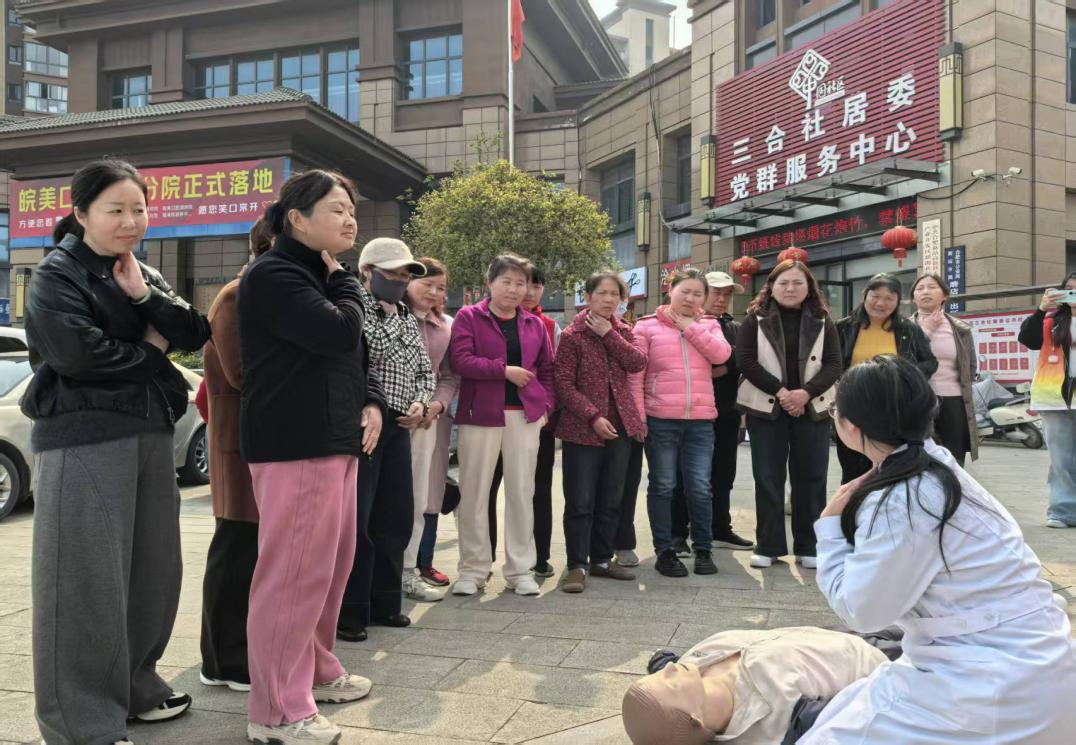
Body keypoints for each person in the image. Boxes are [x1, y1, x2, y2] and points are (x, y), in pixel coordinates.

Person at [23, 158, 211, 743]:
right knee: (85, 581)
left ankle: (135, 686)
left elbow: (194, 330)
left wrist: (146, 299)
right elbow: (78, 356)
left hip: (149, 431)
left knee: (153, 571)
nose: (131, 221)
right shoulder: (56, 274)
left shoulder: (138, 271)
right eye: (116, 210)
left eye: (140, 209)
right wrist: (153, 351)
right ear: (82, 213)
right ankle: (79, 722)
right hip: (84, 436)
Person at [805, 356, 1076, 743]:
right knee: (845, 706)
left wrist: (831, 527)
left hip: (992, 689)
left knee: (826, 736)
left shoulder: (904, 498)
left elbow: (862, 611)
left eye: (835, 409)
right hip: (1036, 665)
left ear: (851, 426)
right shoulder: (938, 467)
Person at [239, 170, 385, 744]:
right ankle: (276, 710)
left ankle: (317, 671)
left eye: (352, 210)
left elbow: (352, 357)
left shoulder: (318, 274)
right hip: (295, 442)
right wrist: (347, 282)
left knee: (330, 568)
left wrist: (371, 402)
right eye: (336, 209)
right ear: (297, 218)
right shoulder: (276, 273)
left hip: (334, 438)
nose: (350, 219)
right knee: (294, 575)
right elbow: (338, 333)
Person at [338, 239, 438, 641]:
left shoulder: (408, 317)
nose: (400, 280)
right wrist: (391, 314)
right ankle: (351, 612)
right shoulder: (355, 305)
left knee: (395, 516)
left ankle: (386, 604)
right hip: (364, 424)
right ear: (368, 272)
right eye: (393, 273)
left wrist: (421, 402)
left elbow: (425, 371)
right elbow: (373, 350)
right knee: (359, 520)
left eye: (405, 274)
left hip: (401, 427)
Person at [449, 254, 555, 596]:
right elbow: (460, 360)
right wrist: (503, 371)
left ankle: (520, 570)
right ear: (490, 283)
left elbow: (548, 369)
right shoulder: (468, 317)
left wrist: (545, 407)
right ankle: (472, 570)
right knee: (474, 493)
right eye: (506, 281)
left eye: (520, 283)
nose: (513, 289)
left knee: (522, 493)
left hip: (524, 416)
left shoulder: (534, 324)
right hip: (479, 415)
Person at [198, 218, 273, 694]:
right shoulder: (236, 296)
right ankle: (222, 660)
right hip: (238, 439)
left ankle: (244, 650)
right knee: (236, 545)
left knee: (254, 547)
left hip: (265, 437)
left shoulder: (263, 294)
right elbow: (243, 372)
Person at [736, 260, 842, 570]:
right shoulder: (755, 320)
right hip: (767, 408)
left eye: (797, 283)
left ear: (809, 288)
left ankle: (809, 546)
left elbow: (834, 364)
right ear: (771, 287)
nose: (790, 288)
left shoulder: (823, 321)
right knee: (768, 477)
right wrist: (782, 392)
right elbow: (746, 361)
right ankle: (768, 546)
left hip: (812, 409)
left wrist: (805, 393)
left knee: (811, 478)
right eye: (783, 283)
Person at [621, 627, 887, 745]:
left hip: (824, 633)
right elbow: (861, 713)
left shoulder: (690, 666)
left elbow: (664, 663)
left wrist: (660, 661)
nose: (670, 670)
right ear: (695, 718)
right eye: (670, 685)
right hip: (871, 658)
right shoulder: (778, 722)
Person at [633, 268, 732, 578]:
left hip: (700, 421)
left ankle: (703, 549)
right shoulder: (646, 326)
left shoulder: (709, 325)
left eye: (697, 293)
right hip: (661, 419)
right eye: (684, 291)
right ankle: (665, 552)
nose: (690, 298)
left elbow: (721, 355)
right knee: (663, 485)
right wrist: (639, 415)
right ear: (670, 290)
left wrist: (690, 327)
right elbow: (635, 374)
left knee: (700, 487)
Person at [554, 271, 646, 593]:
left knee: (611, 498)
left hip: (620, 428)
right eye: (602, 293)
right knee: (580, 501)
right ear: (587, 296)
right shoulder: (572, 335)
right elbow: (563, 384)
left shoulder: (623, 331)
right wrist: (593, 416)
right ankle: (577, 565)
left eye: (614, 294)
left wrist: (609, 335)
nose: (608, 299)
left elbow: (637, 363)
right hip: (582, 429)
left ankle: (603, 560)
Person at [670, 271, 754, 555]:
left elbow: (742, 360)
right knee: (684, 475)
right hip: (689, 412)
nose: (722, 299)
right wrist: (722, 362)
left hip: (726, 413)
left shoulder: (735, 327)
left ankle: (720, 527)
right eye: (716, 292)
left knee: (723, 472)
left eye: (727, 294)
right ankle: (678, 533)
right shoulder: (681, 323)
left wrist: (727, 364)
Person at [487, 264, 559, 577]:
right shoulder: (482, 318)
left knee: (534, 490)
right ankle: (485, 559)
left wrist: (546, 409)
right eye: (518, 284)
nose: (526, 292)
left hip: (534, 420)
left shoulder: (548, 326)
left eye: (534, 285)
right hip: (490, 418)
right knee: (486, 489)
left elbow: (553, 372)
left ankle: (538, 556)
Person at [835, 273, 936, 483]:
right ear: (865, 296)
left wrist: (902, 375)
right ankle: (854, 503)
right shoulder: (843, 327)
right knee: (853, 470)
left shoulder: (908, 329)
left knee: (891, 467)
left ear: (898, 301)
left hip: (894, 409)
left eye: (889, 298)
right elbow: (831, 364)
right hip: (854, 407)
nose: (881, 303)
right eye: (875, 296)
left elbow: (930, 362)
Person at [401, 257, 460, 589]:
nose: (434, 292)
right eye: (427, 284)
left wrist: (436, 405)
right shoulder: (391, 316)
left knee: (427, 493)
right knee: (396, 494)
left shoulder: (446, 326)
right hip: (394, 418)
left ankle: (419, 564)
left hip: (431, 422)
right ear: (407, 281)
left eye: (441, 287)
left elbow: (449, 376)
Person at [1019, 272, 1076, 528]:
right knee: (1061, 459)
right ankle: (1062, 511)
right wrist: (1041, 309)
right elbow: (1028, 340)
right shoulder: (1050, 320)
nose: (1073, 294)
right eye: (1069, 289)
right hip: (1054, 397)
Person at [910, 272, 978, 467]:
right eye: (920, 288)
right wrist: (926, 331)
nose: (925, 291)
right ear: (913, 298)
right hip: (917, 401)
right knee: (918, 457)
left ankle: (952, 487)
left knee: (953, 459)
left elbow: (970, 364)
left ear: (945, 295)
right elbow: (902, 363)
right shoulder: (903, 328)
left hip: (954, 401)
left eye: (932, 287)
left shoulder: (960, 328)